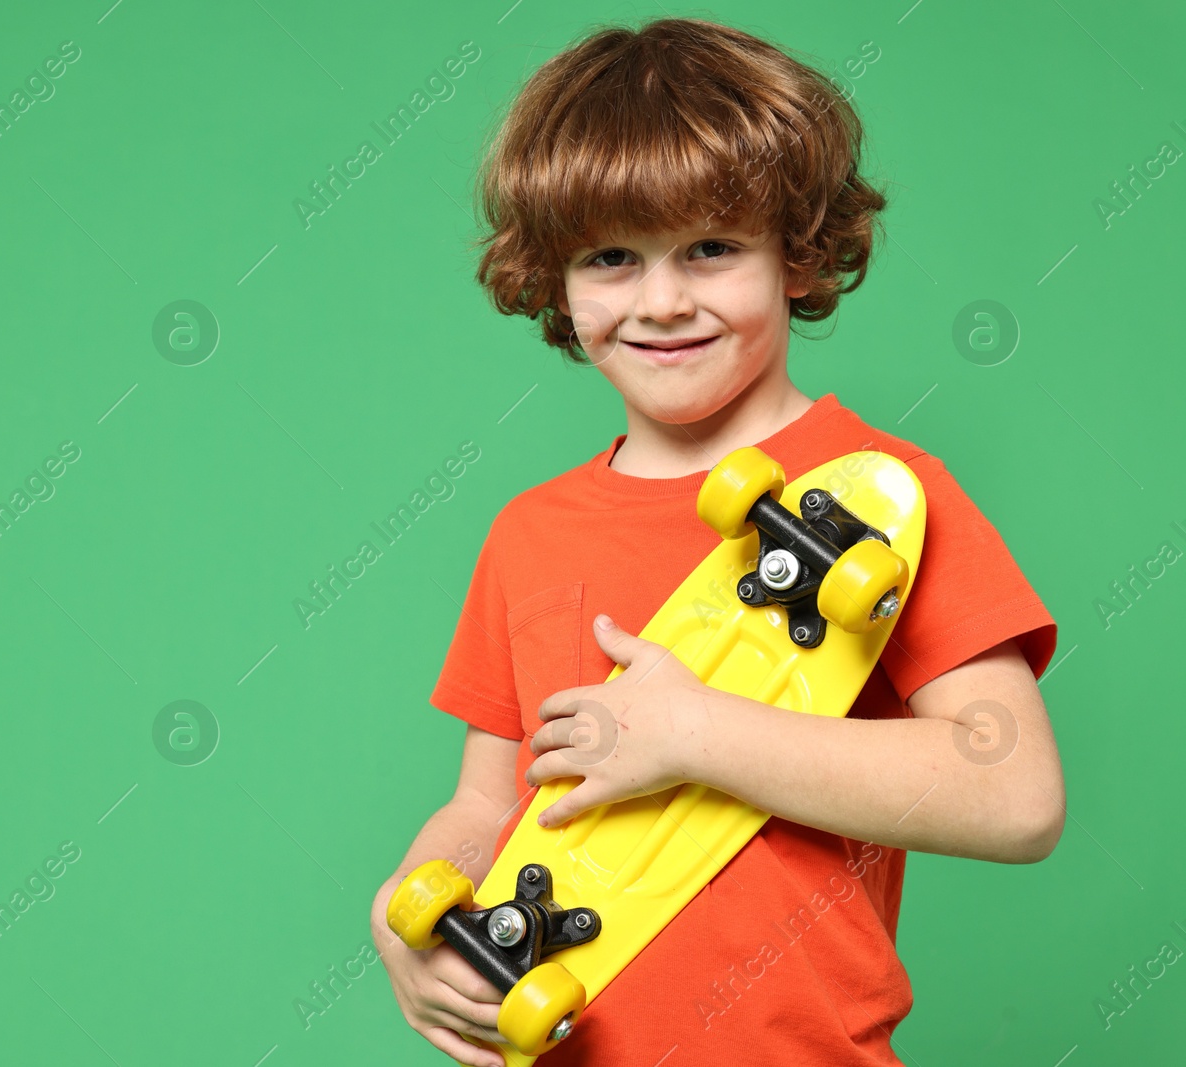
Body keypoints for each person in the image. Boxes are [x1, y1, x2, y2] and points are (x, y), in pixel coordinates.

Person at [370, 16, 1064, 1066]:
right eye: (611, 256)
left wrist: (694, 735)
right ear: (552, 278)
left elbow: (1013, 796)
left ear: (797, 251)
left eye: (710, 246)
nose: (661, 300)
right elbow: (484, 802)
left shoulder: (885, 498)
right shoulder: (531, 533)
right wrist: (405, 920)